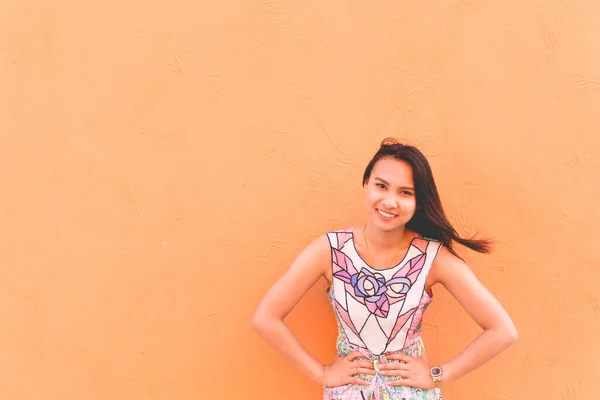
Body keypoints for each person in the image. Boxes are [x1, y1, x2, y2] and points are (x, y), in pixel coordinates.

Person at [252, 138, 518, 400]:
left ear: (418, 202)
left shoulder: (432, 257)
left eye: (405, 192)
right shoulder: (331, 250)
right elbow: (266, 317)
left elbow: (502, 330)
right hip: (348, 393)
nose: (390, 202)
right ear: (366, 185)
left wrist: (437, 375)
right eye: (381, 186)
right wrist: (322, 373)